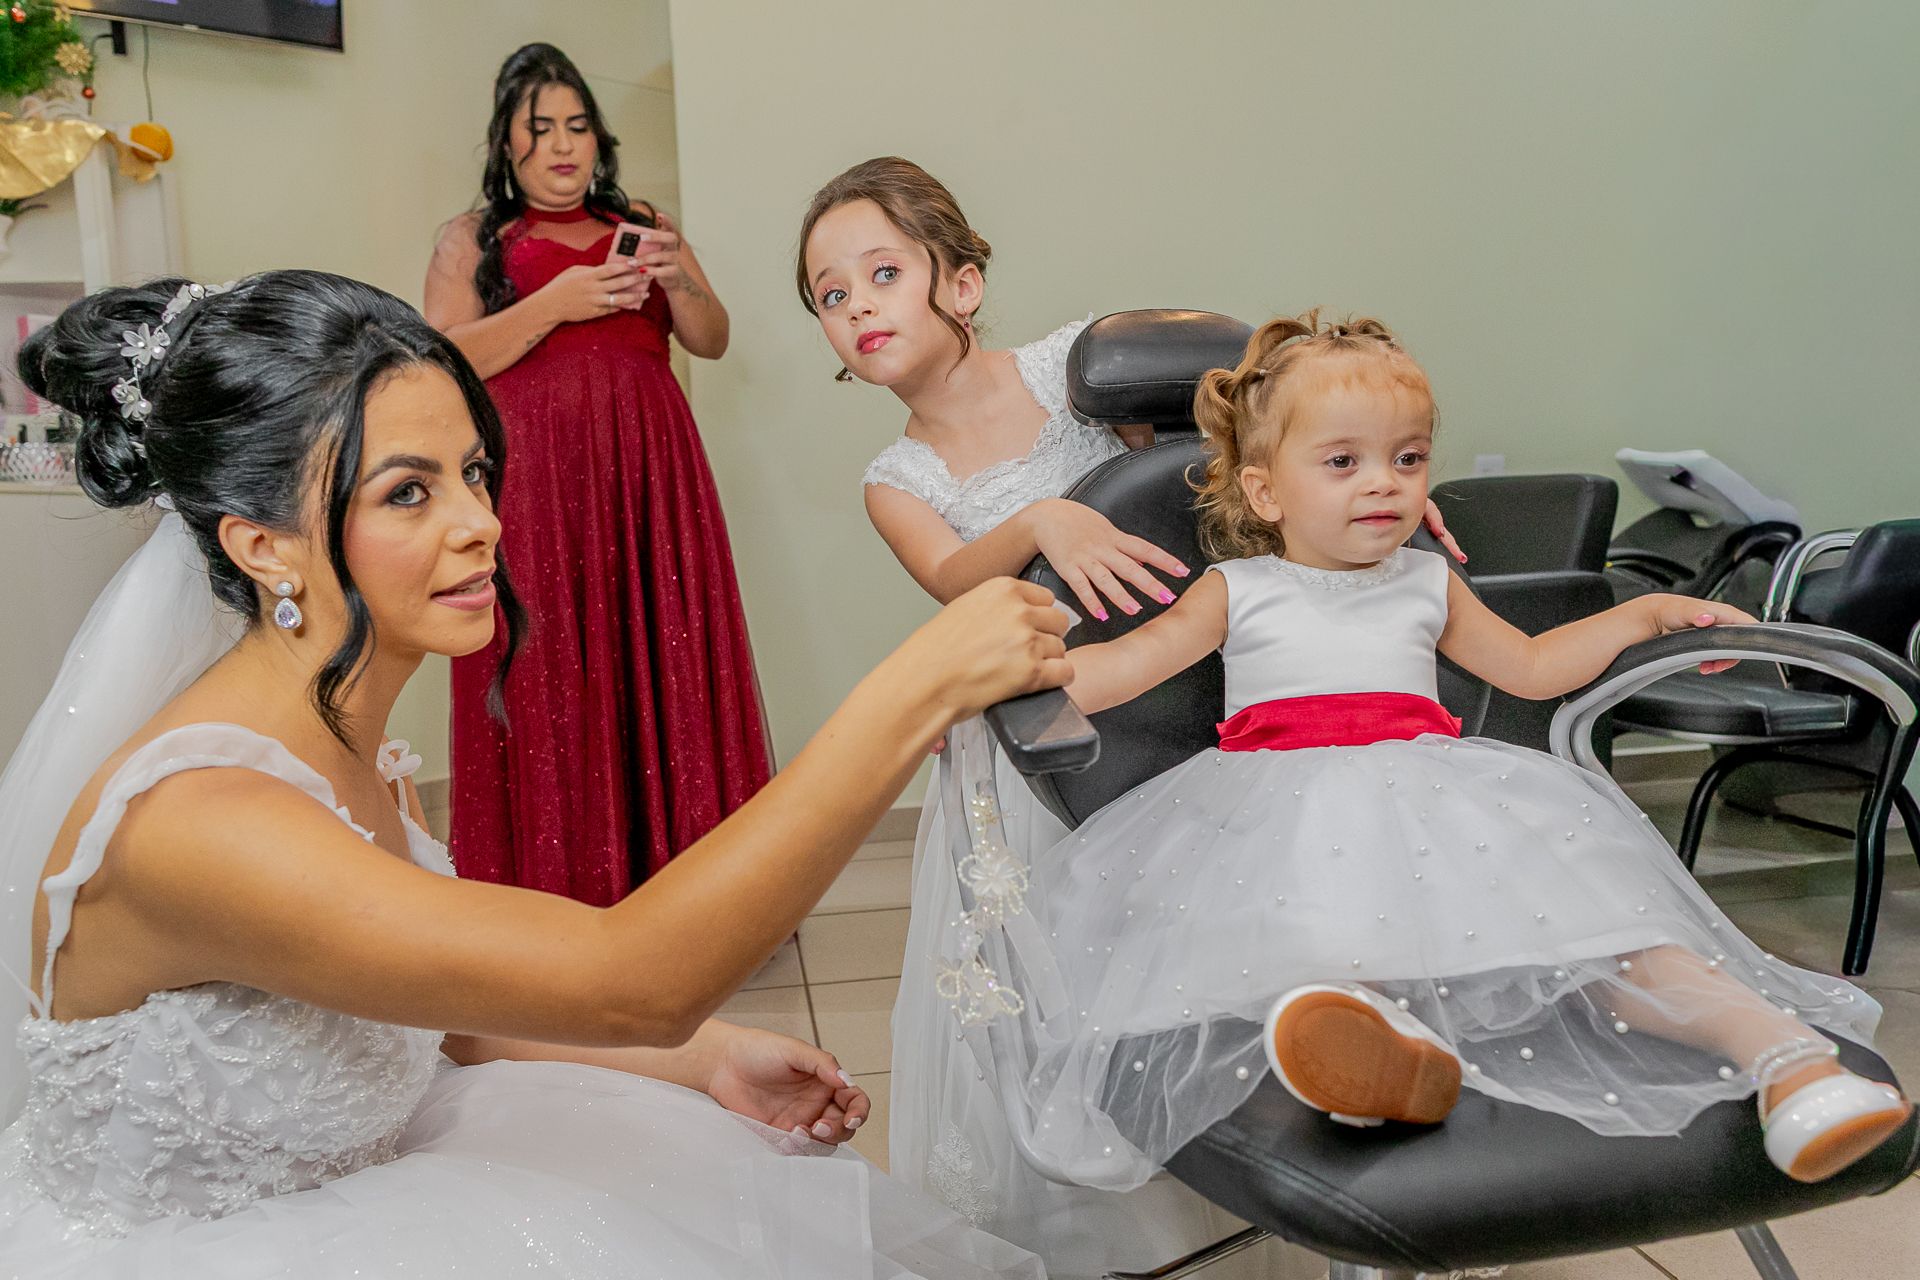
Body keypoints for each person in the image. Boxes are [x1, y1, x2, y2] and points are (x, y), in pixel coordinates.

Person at [0, 269, 1069, 1277]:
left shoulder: (332, 739)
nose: (483, 522)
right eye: (407, 493)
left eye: (470, 471)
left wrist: (702, 1059)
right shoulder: (205, 818)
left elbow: (423, 1006)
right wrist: (913, 688)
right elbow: (631, 975)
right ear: (264, 546)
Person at [923, 312, 1907, 1227]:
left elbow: (1531, 665)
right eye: (1343, 461)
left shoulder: (1427, 580)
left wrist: (1645, 613)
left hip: (1445, 793)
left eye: (1407, 458)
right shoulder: (1240, 588)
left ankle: (1788, 1066)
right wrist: (987, 674)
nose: (1385, 483)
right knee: (1322, 951)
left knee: (1614, 937)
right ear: (1267, 490)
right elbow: (1123, 667)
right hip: (1280, 806)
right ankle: (1386, 1053)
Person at [799, 157, 1456, 1278]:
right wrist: (1043, 518)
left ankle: (1302, 1142)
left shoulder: (1076, 369)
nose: (857, 303)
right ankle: (1095, 1228)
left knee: (1191, 934)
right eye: (829, 293)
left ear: (960, 284)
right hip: (1025, 744)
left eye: (882, 272)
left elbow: (1267, 394)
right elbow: (957, 575)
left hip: (1169, 702)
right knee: (1051, 970)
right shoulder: (893, 475)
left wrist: (1350, 483)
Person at [425, 43, 764, 904]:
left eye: (577, 126)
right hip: (534, 486)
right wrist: (554, 304)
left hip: (651, 475)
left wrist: (678, 274)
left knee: (661, 652)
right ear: (506, 144)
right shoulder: (472, 239)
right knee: (546, 661)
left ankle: (693, 893)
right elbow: (441, 359)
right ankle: (562, 894)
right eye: (540, 130)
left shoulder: (637, 219)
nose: (563, 146)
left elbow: (711, 339)